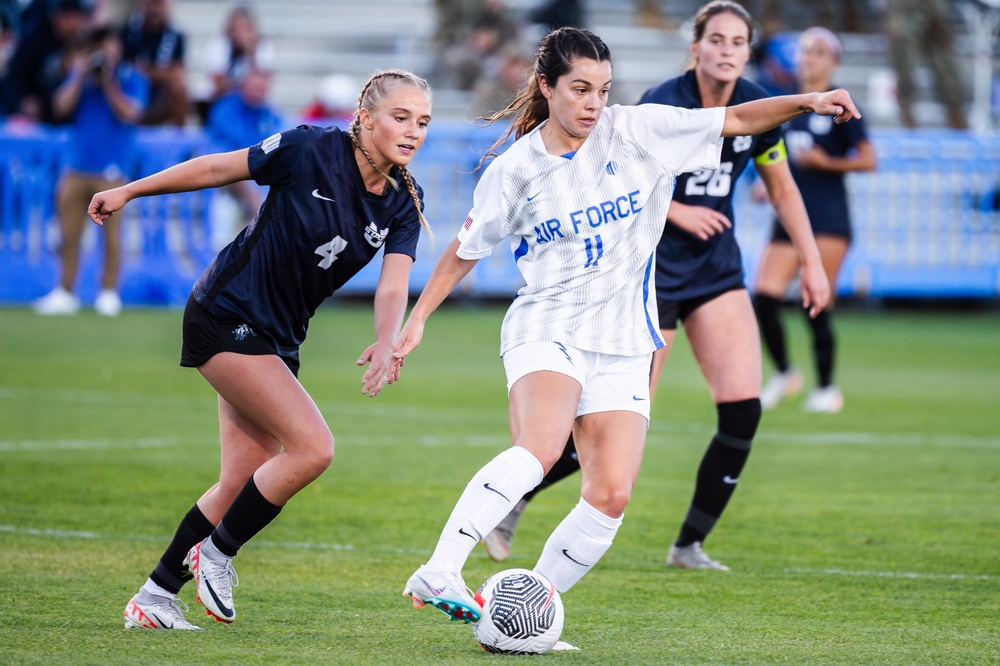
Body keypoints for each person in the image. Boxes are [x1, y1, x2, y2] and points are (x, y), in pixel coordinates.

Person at [392, 26, 858, 624]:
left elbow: (739, 118)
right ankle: (439, 568)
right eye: (580, 89)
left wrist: (809, 101)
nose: (593, 103)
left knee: (611, 494)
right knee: (538, 449)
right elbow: (464, 248)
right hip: (547, 325)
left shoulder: (639, 131)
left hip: (624, 340)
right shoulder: (517, 169)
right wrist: (418, 318)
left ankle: (519, 612)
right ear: (546, 87)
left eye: (603, 90)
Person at [480, 0, 831, 571]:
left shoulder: (756, 105)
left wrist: (811, 263)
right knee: (608, 416)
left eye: (737, 42)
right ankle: (516, 494)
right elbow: (601, 184)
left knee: (743, 408)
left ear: (747, 51)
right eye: (715, 39)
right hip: (647, 276)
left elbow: (783, 188)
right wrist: (681, 212)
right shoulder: (663, 102)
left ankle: (689, 544)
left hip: (716, 270)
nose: (726, 50)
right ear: (695, 47)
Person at [87, 69, 432, 630]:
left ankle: (153, 598)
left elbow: (395, 283)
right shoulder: (310, 147)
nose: (413, 131)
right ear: (365, 118)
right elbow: (218, 167)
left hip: (278, 337)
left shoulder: (402, 199)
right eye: (401, 117)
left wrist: (388, 338)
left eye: (423, 122)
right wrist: (129, 189)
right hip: (225, 313)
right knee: (313, 448)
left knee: (239, 480)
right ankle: (216, 554)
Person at [755, 26, 876, 413]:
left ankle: (826, 388)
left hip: (827, 217)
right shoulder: (789, 105)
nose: (810, 58)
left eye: (819, 52)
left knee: (816, 302)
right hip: (789, 218)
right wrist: (766, 186)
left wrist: (828, 163)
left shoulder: (842, 106)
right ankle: (785, 372)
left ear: (834, 62)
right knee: (763, 297)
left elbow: (869, 160)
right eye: (806, 51)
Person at [33, 24, 149, 317]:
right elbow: (60, 107)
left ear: (118, 48)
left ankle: (108, 293)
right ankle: (65, 291)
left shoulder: (131, 78)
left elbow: (131, 113)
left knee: (111, 237)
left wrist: (109, 82)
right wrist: (80, 73)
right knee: (68, 233)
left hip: (112, 171)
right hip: (76, 167)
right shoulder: (81, 77)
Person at [206, 65, 285, 229]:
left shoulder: (269, 113)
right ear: (242, 84)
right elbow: (236, 145)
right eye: (256, 83)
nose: (261, 88)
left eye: (264, 83)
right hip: (226, 170)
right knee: (240, 171)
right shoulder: (225, 108)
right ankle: (266, 222)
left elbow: (282, 140)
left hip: (260, 168)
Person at [0, 0, 94, 123]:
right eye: (71, 18)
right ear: (59, 16)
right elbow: (16, 72)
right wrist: (24, 99)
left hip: (62, 108)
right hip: (29, 109)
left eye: (79, 17)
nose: (75, 23)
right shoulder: (35, 38)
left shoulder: (80, 40)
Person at [885, 0, 967, 129]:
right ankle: (907, 116)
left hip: (934, 7)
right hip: (906, 8)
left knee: (945, 62)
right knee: (905, 63)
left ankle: (955, 113)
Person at [195, 4, 274, 123]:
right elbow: (218, 84)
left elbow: (262, 83)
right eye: (236, 28)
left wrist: (250, 53)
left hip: (248, 103)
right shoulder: (220, 43)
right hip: (217, 101)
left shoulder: (262, 46)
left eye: (244, 28)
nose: (240, 34)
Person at [119, 0, 187, 125]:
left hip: (158, 98)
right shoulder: (126, 32)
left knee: (178, 87)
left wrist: (145, 71)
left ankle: (180, 135)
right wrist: (159, 72)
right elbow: (120, 69)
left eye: (159, 4)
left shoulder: (176, 35)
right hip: (130, 94)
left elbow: (177, 73)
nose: (155, 10)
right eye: (152, 3)